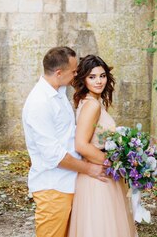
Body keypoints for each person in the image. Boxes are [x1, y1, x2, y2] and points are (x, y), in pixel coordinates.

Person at [22, 47, 107, 237]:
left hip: (69, 183)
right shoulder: (40, 103)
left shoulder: (58, 92)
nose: (77, 74)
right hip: (53, 188)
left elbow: (68, 135)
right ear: (59, 73)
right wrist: (89, 168)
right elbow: (53, 155)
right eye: (74, 71)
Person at [68, 54, 138, 237]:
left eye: (102, 75)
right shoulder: (92, 105)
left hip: (98, 171)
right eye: (92, 77)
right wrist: (113, 164)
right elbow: (81, 145)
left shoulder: (90, 100)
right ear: (83, 78)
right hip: (98, 175)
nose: (99, 81)